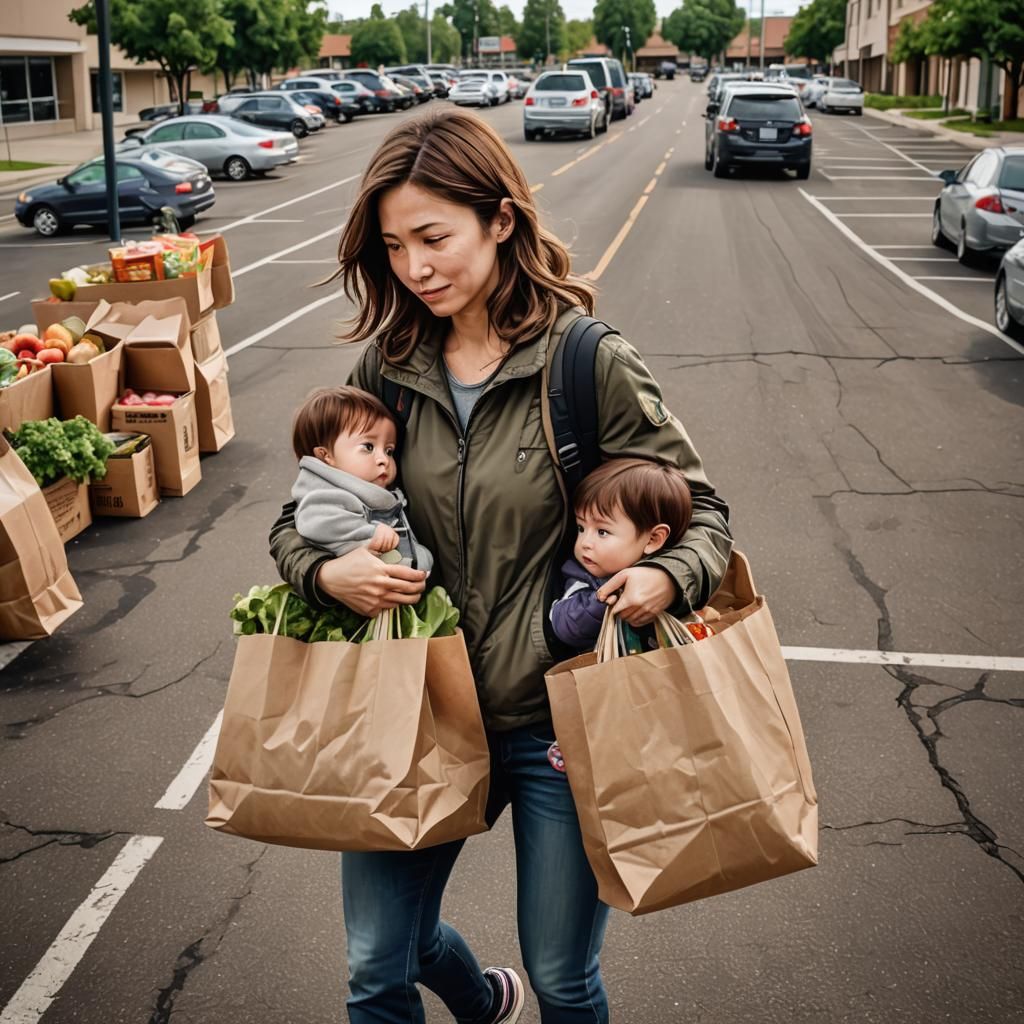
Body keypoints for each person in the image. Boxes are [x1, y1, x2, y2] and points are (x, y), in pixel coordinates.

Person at [269, 107, 732, 1024]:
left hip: (560, 721)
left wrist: (668, 576)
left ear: (502, 221)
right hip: (420, 710)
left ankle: (509, 996)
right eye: (395, 246)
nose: (414, 268)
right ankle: (480, 1001)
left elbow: (702, 511)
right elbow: (301, 516)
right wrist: (325, 577)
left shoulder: (586, 362)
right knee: (377, 963)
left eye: (434, 238)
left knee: (563, 978)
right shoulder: (391, 363)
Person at [550, 458, 692, 651]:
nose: (584, 543)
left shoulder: (669, 580)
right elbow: (565, 625)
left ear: (653, 539)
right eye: (581, 528)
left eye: (602, 532)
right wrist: (601, 602)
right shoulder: (583, 577)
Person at [290, 384, 433, 572]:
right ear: (326, 456)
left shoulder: (372, 490)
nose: (384, 460)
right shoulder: (328, 495)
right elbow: (315, 522)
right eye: (368, 447)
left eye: (389, 450)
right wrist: (371, 533)